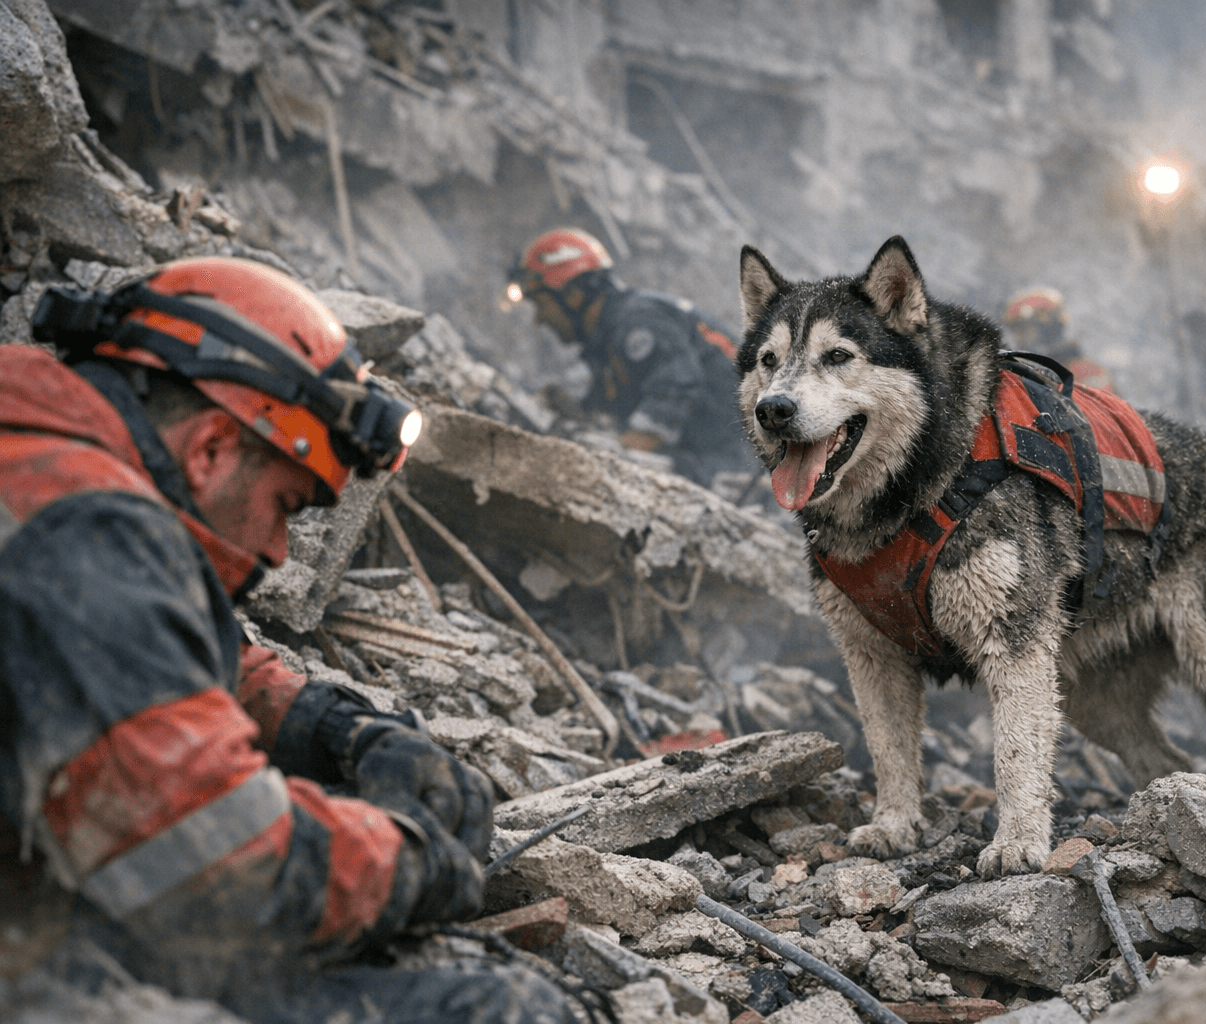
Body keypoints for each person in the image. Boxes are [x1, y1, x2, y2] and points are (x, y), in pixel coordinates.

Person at [0, 258, 575, 1023]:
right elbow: (227, 879)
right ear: (211, 447)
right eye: (287, 504)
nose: (277, 551)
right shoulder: (89, 534)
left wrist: (330, 727)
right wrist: (412, 857)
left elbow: (139, 653)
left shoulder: (39, 470)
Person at [510, 227, 756, 488]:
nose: (539, 319)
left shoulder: (636, 322)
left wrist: (621, 454)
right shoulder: (611, 337)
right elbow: (614, 407)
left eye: (542, 305)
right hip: (724, 453)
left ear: (572, 296)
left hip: (738, 462)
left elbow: (676, 386)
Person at [1001, 285, 1116, 393]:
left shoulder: (1083, 371)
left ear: (1047, 327)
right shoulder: (1036, 374)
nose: (1020, 341)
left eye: (1025, 332)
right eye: (1017, 333)